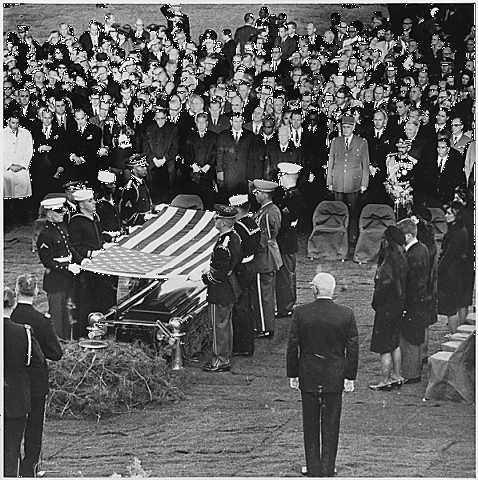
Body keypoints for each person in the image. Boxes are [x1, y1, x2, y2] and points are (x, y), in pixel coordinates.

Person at [286, 272, 358, 478]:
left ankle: (312, 467)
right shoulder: (346, 314)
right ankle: (328, 467)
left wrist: (293, 373)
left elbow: (293, 346)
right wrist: (349, 377)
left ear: (314, 289)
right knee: (331, 423)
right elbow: (352, 349)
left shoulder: (301, 313)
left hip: (308, 374)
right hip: (334, 376)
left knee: (310, 424)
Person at [11, 274, 63, 478]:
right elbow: (56, 354)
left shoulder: (10, 316)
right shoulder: (41, 320)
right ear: (35, 292)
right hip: (35, 382)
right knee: (33, 431)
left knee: (11, 427)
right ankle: (29, 470)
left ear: (17, 290)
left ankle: (9, 467)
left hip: (10, 379)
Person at [4, 287, 45, 478]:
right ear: (13, 304)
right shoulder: (23, 332)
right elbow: (33, 361)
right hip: (15, 398)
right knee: (12, 449)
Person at [201, 204, 242, 372]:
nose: (214, 220)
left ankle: (220, 360)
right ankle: (224, 356)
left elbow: (220, 273)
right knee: (225, 324)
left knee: (219, 327)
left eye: (217, 218)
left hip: (220, 290)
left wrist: (205, 276)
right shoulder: (234, 237)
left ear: (224, 222)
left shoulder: (222, 245)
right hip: (229, 288)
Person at [36, 196, 83, 340]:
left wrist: (81, 260)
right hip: (56, 279)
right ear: (49, 214)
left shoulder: (60, 228)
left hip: (67, 277)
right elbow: (47, 261)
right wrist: (67, 267)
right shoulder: (45, 234)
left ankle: (67, 339)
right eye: (59, 211)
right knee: (57, 315)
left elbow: (70, 248)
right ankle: (57, 341)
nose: (63, 213)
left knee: (67, 313)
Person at [369, 226, 407, 390]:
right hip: (398, 306)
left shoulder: (386, 265)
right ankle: (397, 375)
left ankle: (385, 380)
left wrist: (375, 304)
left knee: (384, 346)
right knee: (394, 343)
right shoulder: (402, 258)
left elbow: (380, 292)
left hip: (386, 308)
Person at [327, 115, 370, 247]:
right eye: (343, 127)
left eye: (348, 127)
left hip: (354, 184)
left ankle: (352, 238)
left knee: (353, 213)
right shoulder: (335, 141)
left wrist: (364, 183)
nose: (345, 129)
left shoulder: (361, 142)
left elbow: (365, 165)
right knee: (338, 212)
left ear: (353, 127)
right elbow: (331, 162)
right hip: (338, 182)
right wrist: (329, 181)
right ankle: (339, 238)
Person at [396, 218, 430, 384]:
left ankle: (411, 374)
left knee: (409, 339)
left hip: (413, 303)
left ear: (408, 236)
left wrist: (405, 306)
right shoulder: (422, 249)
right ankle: (413, 371)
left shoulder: (413, 255)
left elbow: (412, 284)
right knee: (416, 337)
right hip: (421, 301)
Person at [229, 194, 260, 357]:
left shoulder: (238, 229)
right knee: (247, 305)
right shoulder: (252, 223)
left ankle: (242, 346)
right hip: (251, 266)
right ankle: (248, 343)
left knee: (240, 308)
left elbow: (236, 252)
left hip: (240, 269)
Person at [251, 179, 282, 338]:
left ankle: (264, 327)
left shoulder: (268, 213)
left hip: (264, 258)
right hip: (269, 256)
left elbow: (265, 237)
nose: (255, 195)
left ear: (264, 194)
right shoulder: (270, 210)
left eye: (257, 193)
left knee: (263, 295)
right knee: (266, 293)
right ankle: (265, 325)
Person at [275, 162, 305, 318]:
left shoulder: (295, 197)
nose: (280, 178)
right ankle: (283, 306)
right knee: (283, 275)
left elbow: (288, 220)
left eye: (282, 176)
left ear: (289, 177)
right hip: (284, 240)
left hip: (287, 240)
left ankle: (286, 306)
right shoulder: (287, 194)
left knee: (286, 275)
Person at [437, 201, 468, 334]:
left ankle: (453, 335)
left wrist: (439, 268)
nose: (446, 216)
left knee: (450, 308)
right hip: (453, 271)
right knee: (451, 307)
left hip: (451, 273)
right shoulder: (457, 230)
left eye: (449, 213)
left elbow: (449, 255)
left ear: (457, 215)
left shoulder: (458, 232)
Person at [4, 110, 34, 226]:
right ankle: (9, 221)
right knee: (8, 196)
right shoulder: (2, 134)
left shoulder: (26, 133)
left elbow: (29, 151)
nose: (15, 126)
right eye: (13, 123)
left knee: (22, 196)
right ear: (8, 122)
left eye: (17, 123)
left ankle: (23, 220)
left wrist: (22, 165)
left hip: (21, 169)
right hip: (7, 170)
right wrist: (9, 165)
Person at [119, 153, 154, 227]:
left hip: (147, 222)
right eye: (142, 167)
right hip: (138, 226)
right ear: (134, 169)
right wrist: (144, 217)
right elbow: (126, 215)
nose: (146, 168)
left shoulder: (142, 182)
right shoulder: (131, 187)